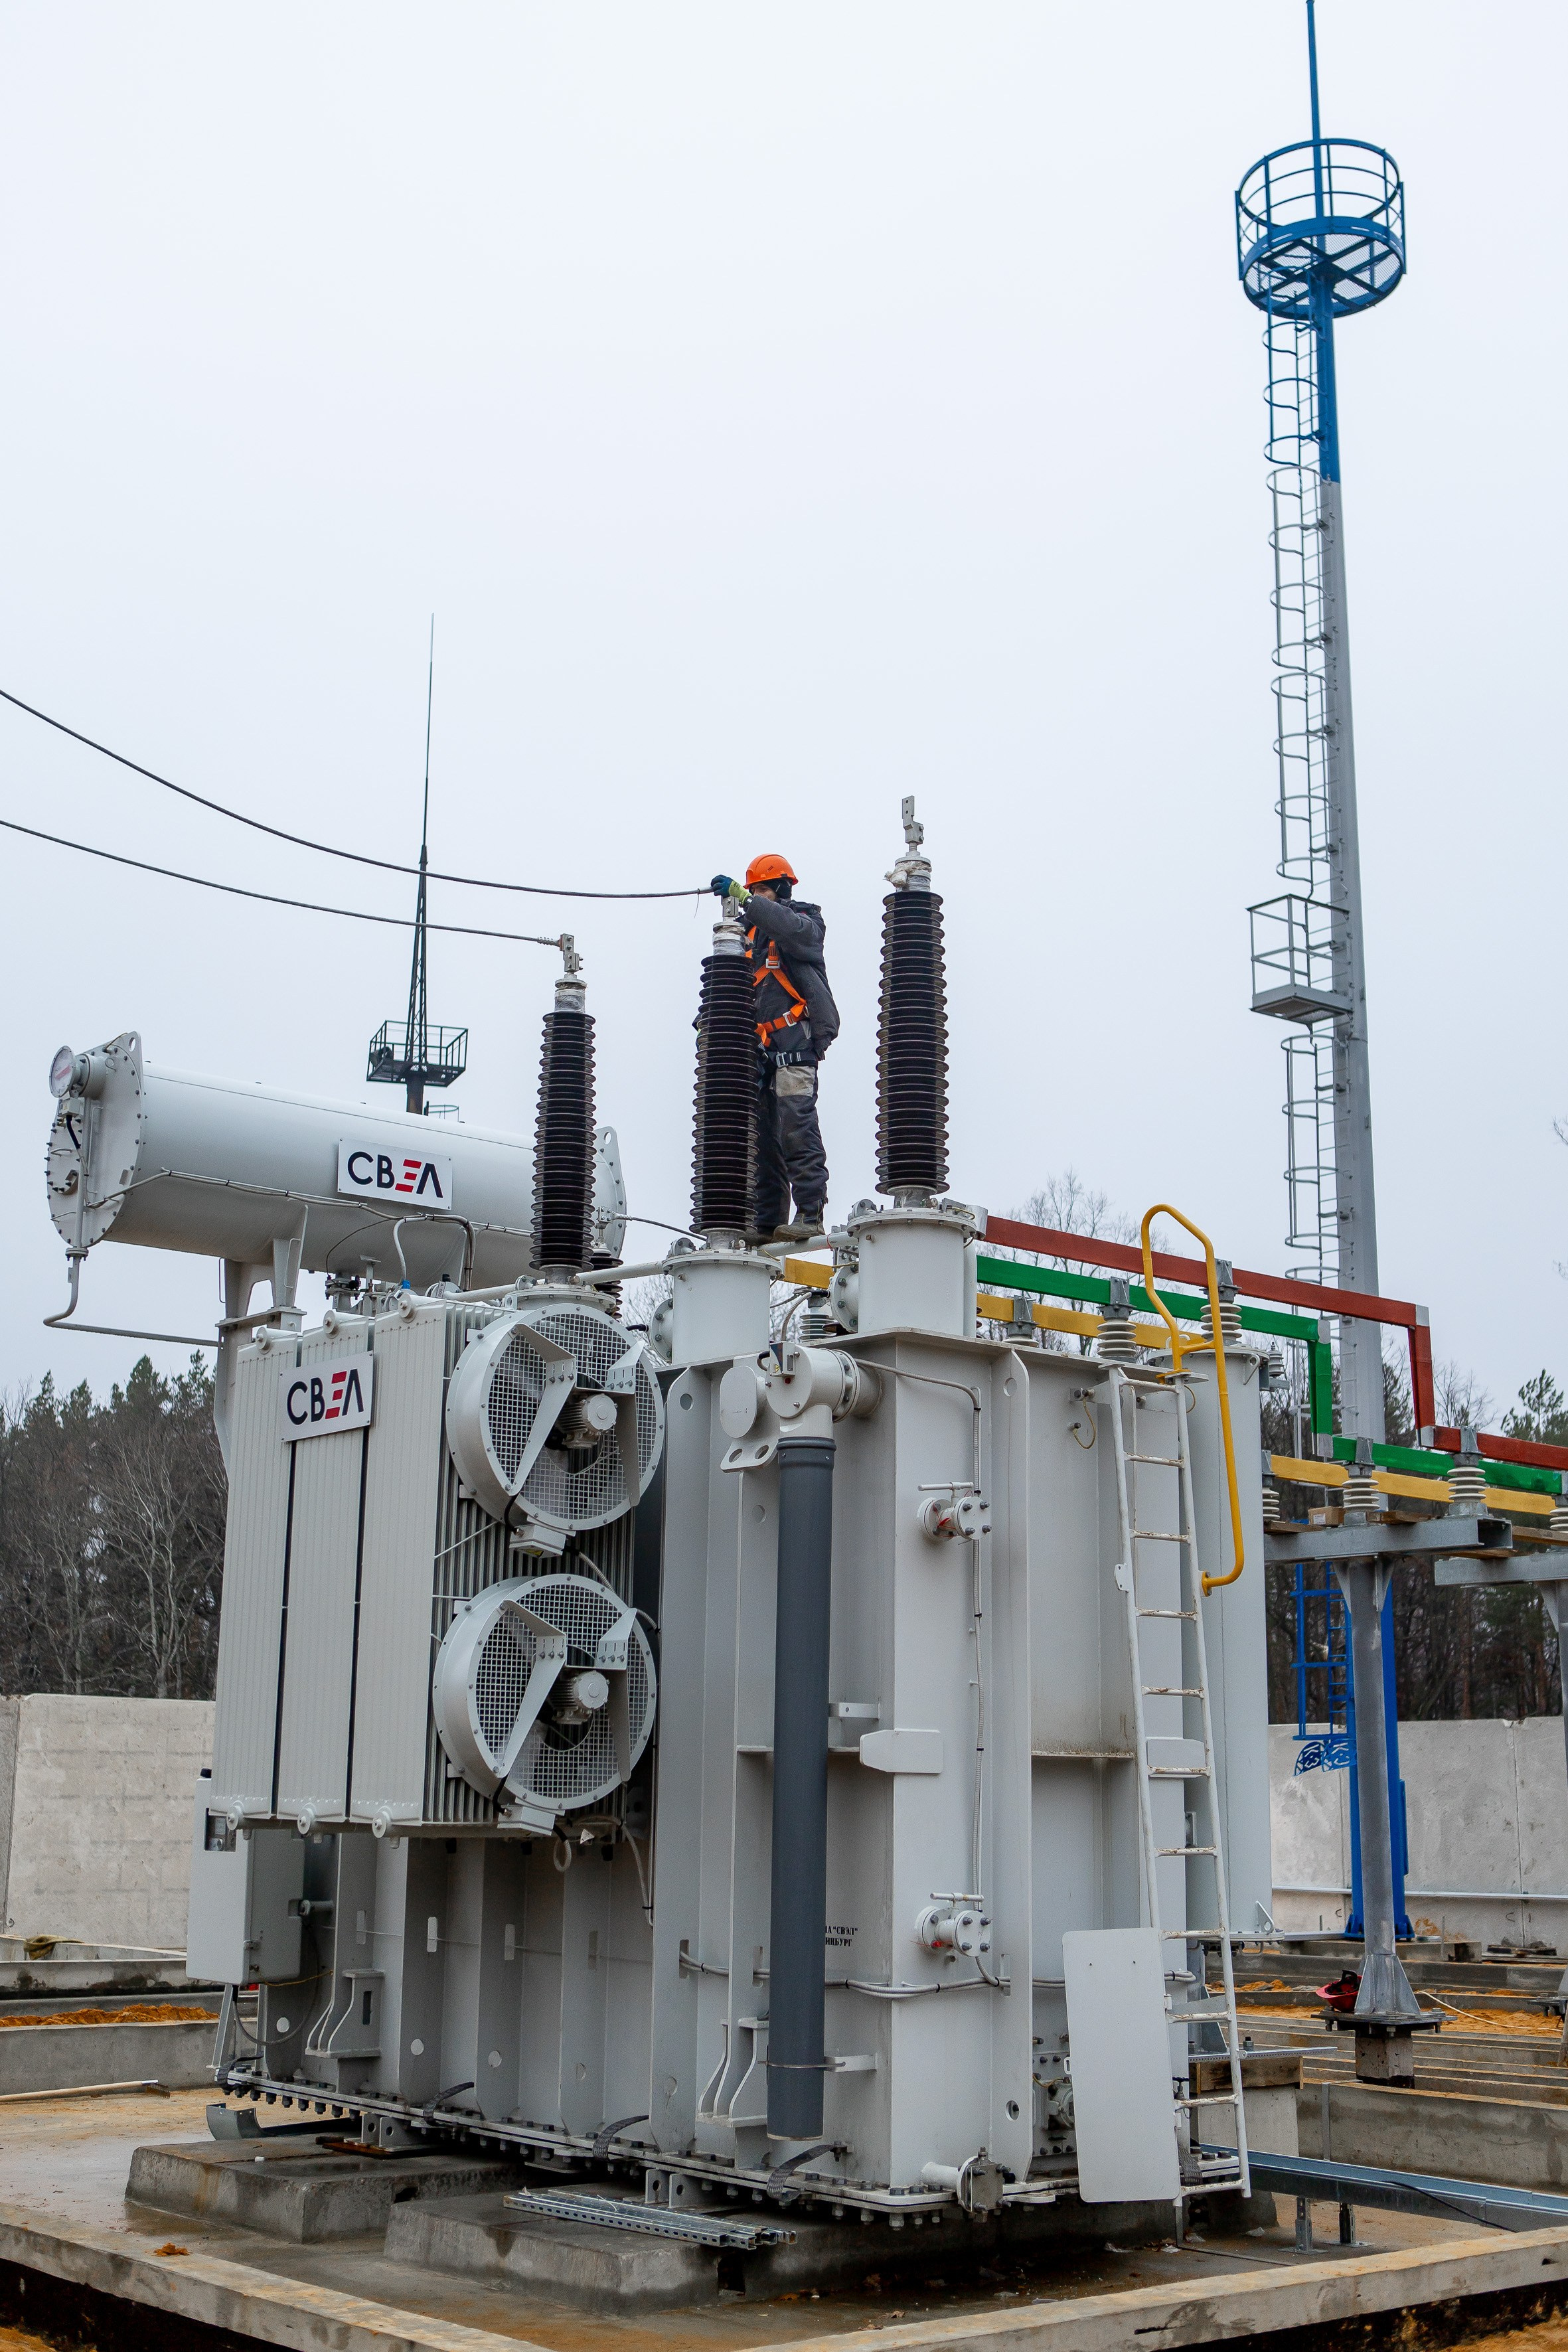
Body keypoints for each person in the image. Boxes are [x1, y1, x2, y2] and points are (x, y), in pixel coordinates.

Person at [708, 854, 838, 1240]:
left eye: (763, 890)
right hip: (759, 1049)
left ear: (781, 890)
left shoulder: (805, 922)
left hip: (795, 1041)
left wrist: (745, 900)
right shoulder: (745, 937)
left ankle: (810, 1213)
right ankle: (767, 1222)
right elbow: (726, 984)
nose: (756, 897)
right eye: (753, 891)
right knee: (763, 1139)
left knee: (796, 1127)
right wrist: (706, 1022)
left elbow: (794, 930)